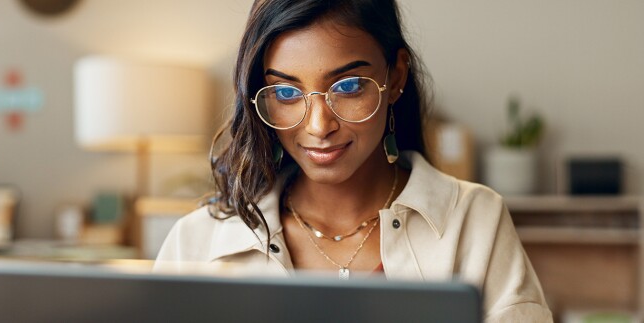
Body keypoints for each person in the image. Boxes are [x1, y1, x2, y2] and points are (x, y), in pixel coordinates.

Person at [154, 0, 552, 321]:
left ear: (395, 77)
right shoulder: (199, 241)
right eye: (287, 93)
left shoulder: (473, 220)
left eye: (347, 86)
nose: (318, 126)